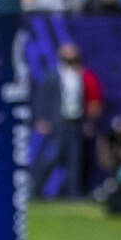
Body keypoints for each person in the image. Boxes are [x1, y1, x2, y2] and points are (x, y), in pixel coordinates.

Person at [34, 43, 102, 198]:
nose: (70, 59)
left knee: (75, 159)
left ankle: (73, 192)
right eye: (67, 56)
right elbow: (43, 98)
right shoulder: (53, 75)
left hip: (75, 121)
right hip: (58, 122)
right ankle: (36, 190)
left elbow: (86, 100)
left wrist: (88, 122)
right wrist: (42, 119)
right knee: (50, 157)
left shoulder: (80, 75)